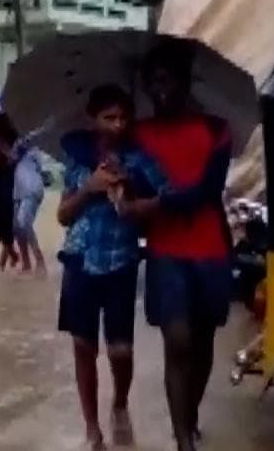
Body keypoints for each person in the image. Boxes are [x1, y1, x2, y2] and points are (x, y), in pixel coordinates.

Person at [130, 49, 233, 451]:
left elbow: (207, 192)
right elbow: (135, 190)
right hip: (165, 251)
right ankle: (183, 443)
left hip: (211, 250)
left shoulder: (216, 129)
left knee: (203, 342)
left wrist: (155, 204)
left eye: (167, 79)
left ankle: (188, 419)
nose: (160, 89)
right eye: (152, 81)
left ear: (186, 82)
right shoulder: (137, 135)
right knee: (178, 340)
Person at [56, 84, 169, 451]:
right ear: (93, 118)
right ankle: (92, 428)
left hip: (121, 261)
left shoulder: (140, 158)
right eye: (109, 117)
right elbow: (62, 216)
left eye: (123, 117)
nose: (118, 124)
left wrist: (131, 195)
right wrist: (88, 188)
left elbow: (164, 200)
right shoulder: (77, 156)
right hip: (79, 259)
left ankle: (119, 403)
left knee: (121, 350)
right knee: (83, 346)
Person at [0, 114, 20, 271]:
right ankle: (12, 253)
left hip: (11, 178)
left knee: (6, 217)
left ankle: (3, 261)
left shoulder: (14, 139)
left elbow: (13, 158)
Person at [12, 134, 47, 274]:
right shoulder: (17, 146)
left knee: (24, 223)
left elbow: (16, 153)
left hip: (31, 188)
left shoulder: (32, 151)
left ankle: (39, 260)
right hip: (18, 190)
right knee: (16, 227)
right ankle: (26, 263)